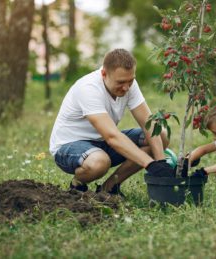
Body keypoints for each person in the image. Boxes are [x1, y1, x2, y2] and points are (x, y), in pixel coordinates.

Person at [49, 49, 174, 196]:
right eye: (120, 82)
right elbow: (112, 136)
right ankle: (77, 184)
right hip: (69, 146)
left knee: (161, 136)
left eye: (131, 81)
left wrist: (160, 162)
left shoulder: (128, 83)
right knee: (100, 162)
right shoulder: (88, 89)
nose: (127, 87)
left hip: (102, 143)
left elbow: (149, 124)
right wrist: (150, 164)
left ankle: (109, 188)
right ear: (104, 74)